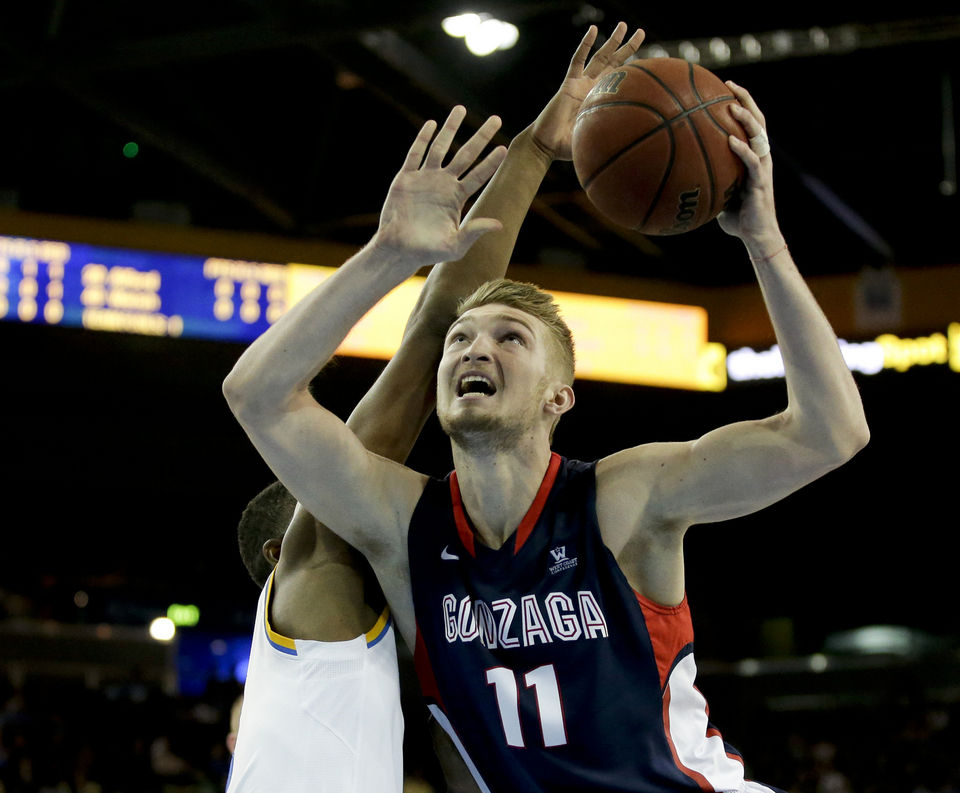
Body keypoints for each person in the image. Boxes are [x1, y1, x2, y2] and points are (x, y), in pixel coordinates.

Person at [224, 22, 868, 793]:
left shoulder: (625, 499)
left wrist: (763, 240)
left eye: (510, 337)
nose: (473, 348)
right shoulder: (404, 527)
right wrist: (387, 255)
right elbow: (258, 395)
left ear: (561, 394)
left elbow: (832, 432)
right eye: (461, 339)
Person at [224, 23, 646, 793]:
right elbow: (427, 347)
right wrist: (530, 157)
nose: (355, 470)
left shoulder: (375, 633)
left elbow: (444, 325)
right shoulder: (323, 558)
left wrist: (537, 151)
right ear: (277, 555)